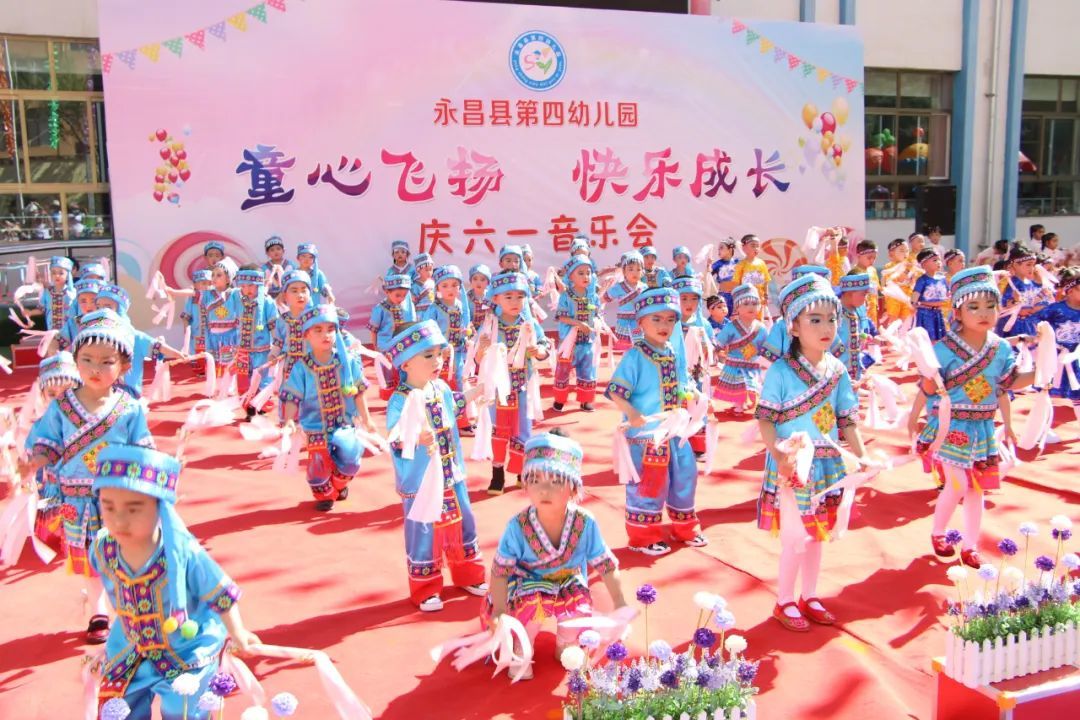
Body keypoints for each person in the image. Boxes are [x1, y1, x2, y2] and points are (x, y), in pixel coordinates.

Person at [89, 444, 259, 717]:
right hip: (131, 649)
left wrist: (238, 632)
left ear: (161, 508)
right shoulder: (102, 548)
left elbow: (220, 594)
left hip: (186, 653)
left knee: (183, 711)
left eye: (133, 510)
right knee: (117, 710)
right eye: (108, 507)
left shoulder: (184, 554)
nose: (119, 521)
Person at [23, 309, 154, 642]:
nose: (95, 369)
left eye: (106, 362)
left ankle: (129, 610)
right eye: (87, 360)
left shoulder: (130, 408)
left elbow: (142, 450)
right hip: (77, 500)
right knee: (90, 560)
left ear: (124, 366)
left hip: (118, 500)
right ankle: (99, 613)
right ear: (75, 360)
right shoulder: (62, 406)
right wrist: (35, 462)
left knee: (123, 556)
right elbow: (48, 443)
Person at [755, 274, 868, 632]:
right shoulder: (780, 371)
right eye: (814, 320)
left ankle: (810, 594)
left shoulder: (837, 370)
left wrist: (862, 456)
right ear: (793, 327)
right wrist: (779, 457)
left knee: (818, 533)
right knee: (795, 536)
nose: (826, 328)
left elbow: (846, 418)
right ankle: (784, 600)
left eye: (831, 319)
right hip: (794, 465)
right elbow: (766, 419)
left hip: (828, 464)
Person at [483, 431, 626, 680]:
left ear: (573, 487)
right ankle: (522, 647)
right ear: (525, 484)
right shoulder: (517, 526)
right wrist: (500, 610)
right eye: (535, 480)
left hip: (568, 583)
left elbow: (605, 564)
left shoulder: (585, 522)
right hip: (527, 585)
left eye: (556, 481)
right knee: (530, 605)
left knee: (579, 606)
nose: (544, 490)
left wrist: (620, 602)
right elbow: (500, 571)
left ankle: (566, 643)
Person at [916, 267, 1034, 567]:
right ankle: (939, 532)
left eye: (991, 306)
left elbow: (1009, 383)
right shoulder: (943, 349)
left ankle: (970, 545)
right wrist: (928, 375)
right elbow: (928, 389)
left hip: (982, 426)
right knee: (957, 483)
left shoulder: (1001, 348)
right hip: (952, 424)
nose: (984, 313)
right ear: (957, 312)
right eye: (974, 307)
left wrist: (1043, 370)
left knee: (977, 488)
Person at [385, 320, 488, 611]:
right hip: (422, 481)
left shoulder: (439, 388)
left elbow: (454, 403)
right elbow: (394, 436)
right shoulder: (400, 400)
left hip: (451, 472)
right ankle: (425, 587)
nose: (438, 361)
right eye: (428, 355)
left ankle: (469, 574)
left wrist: (477, 392)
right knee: (424, 530)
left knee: (463, 521)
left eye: (439, 354)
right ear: (405, 363)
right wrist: (416, 437)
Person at [606, 287, 705, 555]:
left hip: (675, 431)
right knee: (649, 485)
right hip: (647, 435)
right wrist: (632, 413)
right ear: (641, 322)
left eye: (670, 319)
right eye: (656, 319)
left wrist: (695, 395)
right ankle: (643, 536)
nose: (664, 325)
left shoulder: (672, 350)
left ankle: (685, 528)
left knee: (685, 477)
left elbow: (682, 384)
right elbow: (615, 391)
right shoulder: (635, 356)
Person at [280, 304, 373, 511]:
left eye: (331, 329)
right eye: (318, 330)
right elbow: (292, 396)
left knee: (351, 458)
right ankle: (324, 494)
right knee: (318, 464)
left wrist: (366, 419)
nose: (326, 335)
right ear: (307, 335)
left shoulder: (347, 361)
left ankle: (339, 483)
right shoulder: (302, 367)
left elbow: (358, 391)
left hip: (344, 423)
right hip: (316, 427)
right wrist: (289, 420)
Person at [476, 272, 551, 495]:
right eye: (508, 297)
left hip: (523, 385)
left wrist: (539, 350)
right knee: (499, 428)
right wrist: (482, 349)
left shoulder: (529, 323)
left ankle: (521, 471)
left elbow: (545, 345)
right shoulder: (490, 324)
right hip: (498, 388)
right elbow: (478, 359)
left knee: (523, 429)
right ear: (496, 298)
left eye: (520, 297)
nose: (515, 302)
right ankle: (497, 473)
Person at [94, 285, 186, 397]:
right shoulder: (91, 334)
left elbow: (156, 346)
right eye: (98, 307)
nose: (102, 311)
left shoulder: (132, 335)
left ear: (120, 309)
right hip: (96, 392)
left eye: (107, 307)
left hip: (124, 394)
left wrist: (178, 354)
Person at [1031, 266, 1080, 415]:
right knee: (1048, 388)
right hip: (1056, 356)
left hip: (1077, 356)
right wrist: (1041, 332)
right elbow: (1035, 320)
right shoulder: (1055, 309)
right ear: (1070, 291)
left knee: (1077, 390)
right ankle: (1043, 419)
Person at [231, 267, 279, 414]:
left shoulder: (267, 302)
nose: (247, 289)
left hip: (261, 351)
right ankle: (248, 409)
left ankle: (262, 407)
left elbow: (274, 326)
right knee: (243, 380)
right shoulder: (237, 299)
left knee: (262, 380)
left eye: (251, 285)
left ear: (259, 284)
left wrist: (276, 347)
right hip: (242, 351)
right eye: (243, 286)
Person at [554, 256, 599, 412]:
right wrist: (579, 324)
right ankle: (560, 399)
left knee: (587, 370)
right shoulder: (566, 296)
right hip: (569, 343)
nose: (586, 276)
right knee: (563, 370)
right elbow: (561, 317)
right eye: (581, 273)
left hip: (587, 340)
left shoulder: (593, 296)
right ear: (570, 276)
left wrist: (597, 323)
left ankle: (585, 400)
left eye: (588, 273)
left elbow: (597, 314)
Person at [713, 284, 767, 414]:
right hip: (735, 362)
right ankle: (739, 403)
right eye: (746, 304)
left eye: (754, 303)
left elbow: (766, 347)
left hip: (753, 363)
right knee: (739, 385)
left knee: (752, 385)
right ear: (737, 307)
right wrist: (715, 350)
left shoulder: (761, 328)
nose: (751, 307)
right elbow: (720, 341)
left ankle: (752, 400)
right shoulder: (731, 327)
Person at [423, 264, 472, 391]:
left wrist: (466, 336)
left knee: (461, 376)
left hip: (458, 350)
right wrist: (439, 349)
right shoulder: (434, 309)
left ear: (460, 286)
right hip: (439, 353)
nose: (450, 289)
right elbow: (427, 332)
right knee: (438, 379)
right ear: (437, 288)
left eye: (454, 285)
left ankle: (462, 400)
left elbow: (464, 326)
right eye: (445, 286)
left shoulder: (460, 306)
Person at [368, 273, 417, 399]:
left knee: (405, 369)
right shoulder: (380, 309)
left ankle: (404, 394)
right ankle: (390, 397)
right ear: (387, 292)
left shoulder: (407, 306)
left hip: (403, 345)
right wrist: (375, 347)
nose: (401, 298)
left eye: (404, 295)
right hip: (386, 346)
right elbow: (373, 330)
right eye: (398, 295)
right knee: (388, 371)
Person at [997, 244, 1052, 338]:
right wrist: (1015, 303)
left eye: (1033, 265)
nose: (1032, 268)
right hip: (1014, 325)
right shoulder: (1011, 283)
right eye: (1028, 265)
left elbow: (1038, 303)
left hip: (1029, 324)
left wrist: (1042, 297)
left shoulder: (1030, 283)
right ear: (1015, 265)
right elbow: (1005, 306)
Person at [835, 271, 877, 385]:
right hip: (838, 368)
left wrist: (864, 336)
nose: (865, 299)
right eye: (863, 294)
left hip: (854, 366)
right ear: (849, 293)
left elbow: (855, 332)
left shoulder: (858, 310)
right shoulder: (834, 312)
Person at [601, 250, 647, 351]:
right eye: (631, 269)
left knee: (639, 348)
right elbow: (604, 298)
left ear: (642, 272)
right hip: (623, 323)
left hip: (639, 323)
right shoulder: (618, 287)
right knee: (625, 349)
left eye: (638, 269)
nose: (635, 272)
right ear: (624, 271)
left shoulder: (644, 287)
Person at [912, 248, 949, 341]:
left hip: (939, 313)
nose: (939, 262)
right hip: (925, 314)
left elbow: (947, 296)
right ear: (924, 264)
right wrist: (918, 305)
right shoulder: (922, 280)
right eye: (935, 260)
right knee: (927, 339)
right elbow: (913, 300)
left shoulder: (943, 279)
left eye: (939, 260)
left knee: (940, 339)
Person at [733, 234, 771, 317]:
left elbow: (766, 281)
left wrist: (766, 296)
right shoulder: (741, 265)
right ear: (744, 247)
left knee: (759, 321)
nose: (756, 248)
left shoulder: (761, 263)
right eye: (753, 246)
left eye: (757, 246)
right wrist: (737, 301)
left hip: (760, 299)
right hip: (746, 300)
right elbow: (737, 284)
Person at [881, 238, 917, 325]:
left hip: (907, 298)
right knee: (893, 323)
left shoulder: (910, 265)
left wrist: (913, 301)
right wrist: (907, 270)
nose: (905, 253)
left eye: (907, 251)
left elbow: (913, 284)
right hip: (894, 299)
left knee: (906, 323)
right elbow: (899, 279)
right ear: (891, 253)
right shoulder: (889, 267)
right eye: (901, 251)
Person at [40, 256, 75, 332]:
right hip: (52, 330)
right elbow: (41, 308)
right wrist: (30, 312)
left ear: (67, 275)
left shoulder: (73, 293)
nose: (57, 275)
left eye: (61, 273)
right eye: (54, 273)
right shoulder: (47, 292)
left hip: (69, 331)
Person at [853, 240, 882, 325]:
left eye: (874, 258)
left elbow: (876, 290)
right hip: (862, 311)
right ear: (859, 256)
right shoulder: (855, 273)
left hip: (873, 309)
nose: (872, 261)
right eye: (869, 258)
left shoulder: (872, 270)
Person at [261, 235, 296, 300]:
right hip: (270, 299)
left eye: (278, 249)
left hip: (288, 298)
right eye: (272, 250)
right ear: (267, 253)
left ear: (283, 250)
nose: (276, 252)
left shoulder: (291, 265)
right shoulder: (264, 268)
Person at [709, 237, 738, 311]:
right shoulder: (718, 264)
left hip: (737, 296)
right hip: (723, 298)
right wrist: (708, 266)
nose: (719, 250)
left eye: (721, 248)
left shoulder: (738, 262)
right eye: (718, 249)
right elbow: (707, 274)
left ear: (730, 249)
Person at [467, 264, 492, 333]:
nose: (478, 282)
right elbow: (465, 315)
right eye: (475, 279)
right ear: (471, 281)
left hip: (487, 330)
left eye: (482, 279)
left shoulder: (490, 297)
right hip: (470, 330)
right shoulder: (467, 297)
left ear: (488, 282)